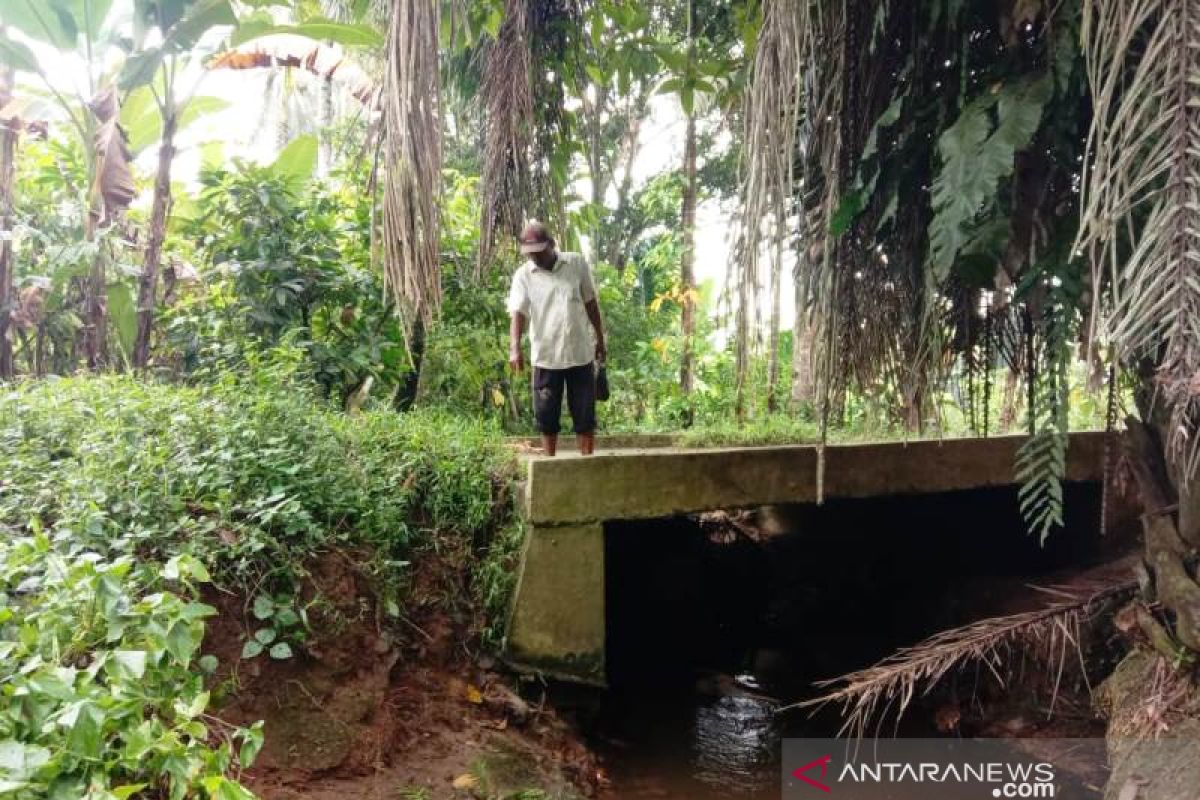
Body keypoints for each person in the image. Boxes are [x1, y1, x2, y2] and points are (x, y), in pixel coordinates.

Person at [507, 221, 606, 456]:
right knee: (546, 416)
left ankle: (587, 462)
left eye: (539, 251)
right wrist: (515, 349)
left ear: (551, 245)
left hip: (579, 353)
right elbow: (517, 313)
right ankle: (549, 463)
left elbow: (591, 303)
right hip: (546, 356)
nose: (535, 257)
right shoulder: (524, 275)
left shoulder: (575, 263)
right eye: (530, 253)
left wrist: (600, 339)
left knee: (585, 415)